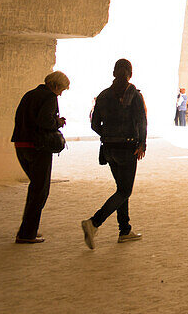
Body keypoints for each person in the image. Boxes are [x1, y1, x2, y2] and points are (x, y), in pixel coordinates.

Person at [82, 58, 147, 249]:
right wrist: (142, 144)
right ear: (130, 74)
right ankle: (94, 223)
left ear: (113, 73)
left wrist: (108, 135)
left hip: (109, 149)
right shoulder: (134, 95)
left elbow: (94, 124)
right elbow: (142, 121)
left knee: (121, 189)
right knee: (125, 190)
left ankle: (125, 230)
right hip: (128, 148)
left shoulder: (103, 95)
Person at [11, 71, 69, 244]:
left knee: (35, 188)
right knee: (40, 190)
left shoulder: (29, 95)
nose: (60, 94)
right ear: (55, 85)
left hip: (21, 145)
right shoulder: (50, 97)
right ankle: (27, 233)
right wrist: (58, 122)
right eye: (62, 90)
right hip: (38, 147)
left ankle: (27, 229)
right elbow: (45, 122)